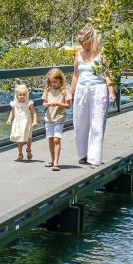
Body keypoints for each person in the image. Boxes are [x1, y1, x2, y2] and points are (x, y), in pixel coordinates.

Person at [69, 23, 116, 169]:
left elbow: (108, 74)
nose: (81, 44)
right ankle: (83, 154)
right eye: (79, 41)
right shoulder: (78, 54)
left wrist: (111, 93)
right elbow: (76, 75)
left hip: (98, 89)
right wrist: (70, 92)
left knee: (97, 124)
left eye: (83, 41)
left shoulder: (102, 54)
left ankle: (94, 158)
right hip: (82, 89)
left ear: (91, 39)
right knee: (80, 122)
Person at [42, 68, 71, 171]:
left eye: (55, 82)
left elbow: (68, 105)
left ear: (60, 81)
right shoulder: (47, 90)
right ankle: (52, 159)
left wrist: (59, 104)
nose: (53, 84)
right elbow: (44, 104)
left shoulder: (64, 91)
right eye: (51, 82)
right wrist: (48, 104)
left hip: (59, 118)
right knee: (50, 139)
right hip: (49, 118)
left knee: (56, 139)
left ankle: (56, 162)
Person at [7, 84, 37, 162]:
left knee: (28, 138)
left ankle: (28, 149)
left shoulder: (29, 103)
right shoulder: (15, 104)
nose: (22, 96)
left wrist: (35, 121)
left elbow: (34, 112)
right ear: (16, 95)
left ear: (27, 95)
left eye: (24, 94)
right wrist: (10, 119)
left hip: (26, 123)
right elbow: (12, 112)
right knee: (18, 139)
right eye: (20, 95)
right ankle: (20, 153)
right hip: (17, 123)